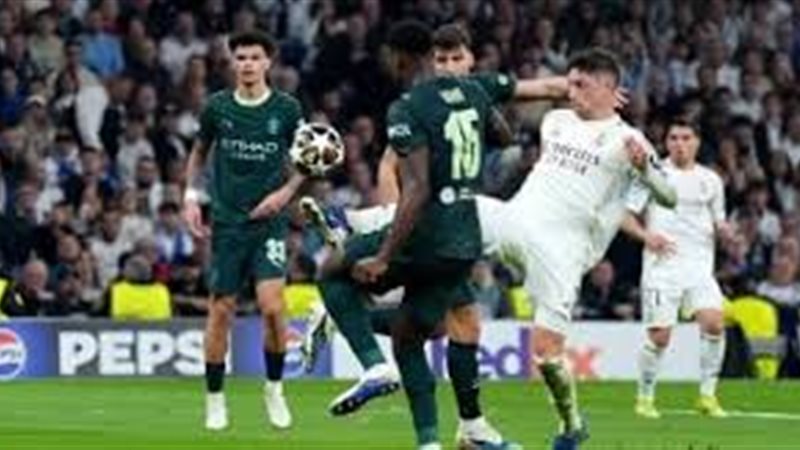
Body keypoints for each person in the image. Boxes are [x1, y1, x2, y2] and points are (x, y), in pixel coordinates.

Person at [475, 49, 677, 449]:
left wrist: (645, 169)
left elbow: (668, 196)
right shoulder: (556, 122)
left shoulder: (629, 140)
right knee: (455, 208)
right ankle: (365, 232)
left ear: (607, 88)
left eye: (581, 84)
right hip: (517, 221)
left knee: (546, 355)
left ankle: (570, 423)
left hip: (563, 252)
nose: (571, 92)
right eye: (569, 84)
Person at [314, 19, 502, 450]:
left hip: (434, 232)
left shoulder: (416, 105)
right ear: (432, 59)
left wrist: (384, 251)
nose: (449, 65)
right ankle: (438, 439)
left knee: (337, 274)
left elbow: (410, 184)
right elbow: (507, 130)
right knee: (419, 332)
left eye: (456, 58)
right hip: (455, 236)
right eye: (443, 58)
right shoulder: (460, 97)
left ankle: (365, 351)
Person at [182, 30, 305, 431]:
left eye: (255, 57)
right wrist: (190, 196)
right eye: (241, 57)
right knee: (221, 310)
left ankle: (274, 388)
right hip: (228, 223)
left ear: (268, 62)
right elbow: (199, 152)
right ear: (233, 63)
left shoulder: (287, 109)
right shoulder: (217, 107)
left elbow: (306, 162)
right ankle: (215, 399)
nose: (248, 64)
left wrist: (284, 194)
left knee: (273, 307)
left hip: (268, 223)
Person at [621, 118, 733, 419]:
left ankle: (707, 396)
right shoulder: (652, 174)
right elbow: (624, 216)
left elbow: (718, 220)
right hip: (663, 268)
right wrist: (647, 236)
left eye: (686, 138)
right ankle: (645, 398)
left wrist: (725, 232)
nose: (679, 144)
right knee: (660, 337)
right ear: (666, 143)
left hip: (699, 268)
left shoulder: (711, 179)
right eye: (673, 138)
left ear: (697, 142)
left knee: (714, 324)